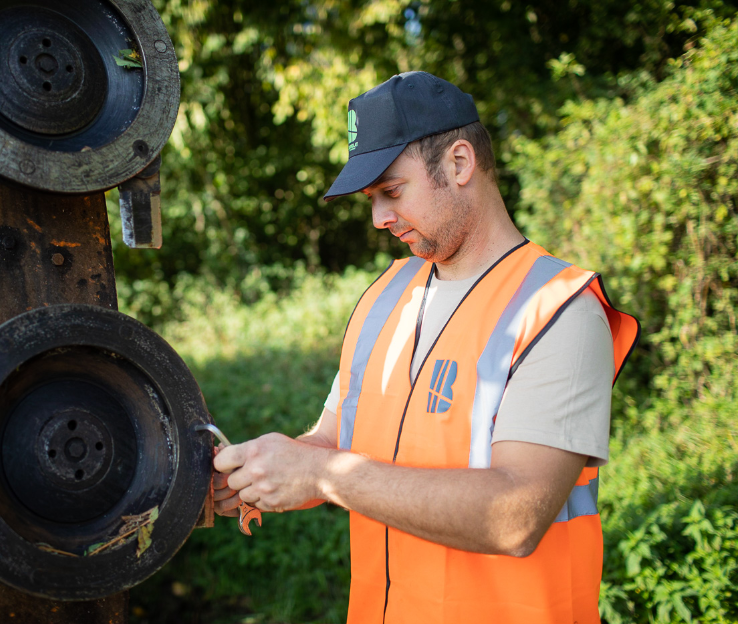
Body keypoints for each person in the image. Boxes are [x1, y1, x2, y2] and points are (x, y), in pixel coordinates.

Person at [212, 71, 639, 624]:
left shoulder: (559, 310)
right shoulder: (385, 296)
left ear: (460, 163)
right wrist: (268, 470)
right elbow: (332, 439)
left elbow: (516, 516)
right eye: (371, 199)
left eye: (392, 192)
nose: (378, 219)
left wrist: (323, 476)